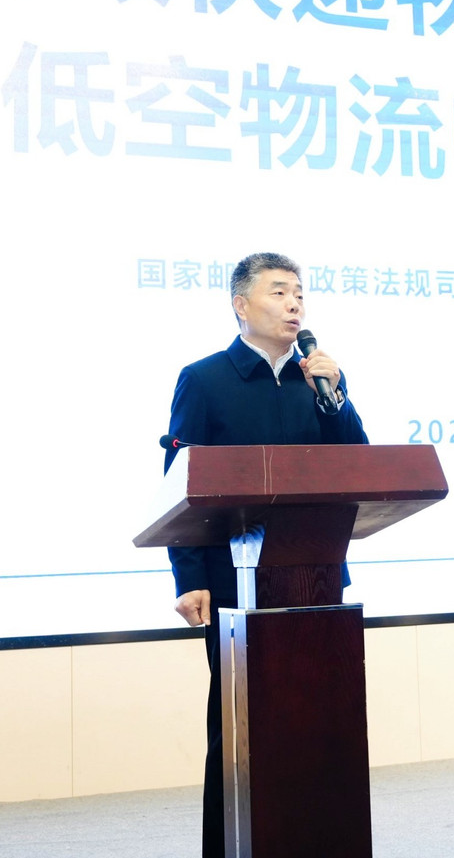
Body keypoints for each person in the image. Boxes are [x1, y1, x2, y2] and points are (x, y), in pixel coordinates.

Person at [162, 251, 369, 858]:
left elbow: (356, 464)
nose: (294, 304)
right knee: (238, 731)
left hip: (314, 577)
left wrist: (337, 396)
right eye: (279, 292)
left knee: (319, 724)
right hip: (231, 581)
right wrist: (188, 577)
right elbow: (180, 485)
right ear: (241, 304)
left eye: (299, 293)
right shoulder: (205, 380)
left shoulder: (322, 381)